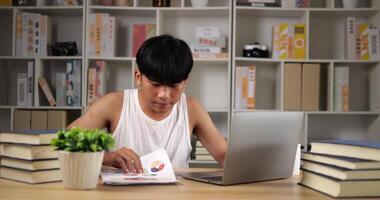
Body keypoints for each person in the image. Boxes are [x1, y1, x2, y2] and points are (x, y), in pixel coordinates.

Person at [68, 34, 227, 173]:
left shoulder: (191, 109)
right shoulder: (114, 104)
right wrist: (106, 158)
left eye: (174, 86)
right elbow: (62, 142)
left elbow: (224, 155)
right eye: (155, 84)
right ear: (138, 77)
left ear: (185, 83)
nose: (164, 95)